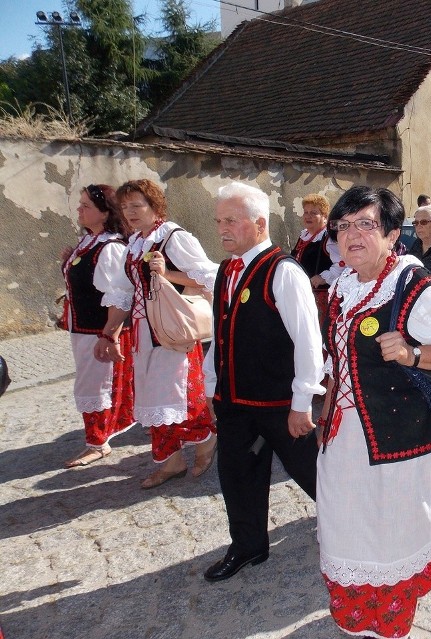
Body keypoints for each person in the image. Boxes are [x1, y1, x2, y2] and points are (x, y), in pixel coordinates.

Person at [316, 185, 431, 638]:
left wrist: (415, 353)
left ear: (393, 233)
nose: (351, 235)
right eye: (342, 226)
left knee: (389, 530)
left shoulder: (418, 289)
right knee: (347, 524)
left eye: (365, 224)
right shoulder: (344, 284)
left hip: (400, 441)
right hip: (344, 436)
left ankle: (391, 620)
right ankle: (358, 616)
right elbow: (338, 356)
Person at [202, 183, 324, 582]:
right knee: (236, 475)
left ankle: (358, 530)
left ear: (258, 223)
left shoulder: (284, 271)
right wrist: (209, 386)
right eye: (219, 220)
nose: (222, 228)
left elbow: (309, 343)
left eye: (230, 221)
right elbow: (222, 333)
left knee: (314, 473)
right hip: (235, 402)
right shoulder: (226, 269)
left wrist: (302, 403)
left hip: (278, 405)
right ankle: (248, 545)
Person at [97, 179, 218, 489]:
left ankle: (206, 438)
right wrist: (109, 332)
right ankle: (170, 461)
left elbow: (207, 276)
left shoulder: (172, 237)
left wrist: (167, 274)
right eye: (125, 207)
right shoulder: (135, 243)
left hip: (171, 330)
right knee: (153, 398)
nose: (130, 212)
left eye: (137, 205)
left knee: (180, 394)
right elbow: (124, 293)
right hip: (142, 332)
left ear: (154, 207)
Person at [61, 184, 135, 468]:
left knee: (95, 386)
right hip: (83, 330)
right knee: (91, 385)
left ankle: (98, 442)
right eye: (80, 204)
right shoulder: (90, 242)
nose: (79, 210)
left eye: (86, 206)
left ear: (105, 214)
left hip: (98, 331)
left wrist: (110, 335)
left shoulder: (110, 247)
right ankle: (98, 438)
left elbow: (119, 295)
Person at [290, 193, 342, 319]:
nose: (308, 216)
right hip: (302, 295)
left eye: (313, 213)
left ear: (324, 216)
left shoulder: (329, 238)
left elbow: (343, 264)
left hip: (321, 299)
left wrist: (323, 277)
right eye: (306, 212)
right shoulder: (304, 236)